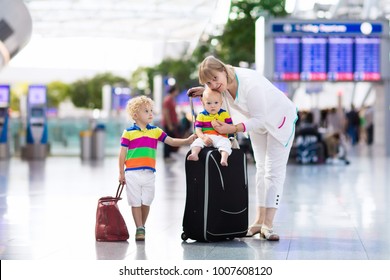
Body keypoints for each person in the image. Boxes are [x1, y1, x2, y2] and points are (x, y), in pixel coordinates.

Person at [187, 56, 298, 241]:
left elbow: (260, 118)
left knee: (273, 172)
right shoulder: (221, 84)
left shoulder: (249, 83)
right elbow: (220, 92)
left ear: (223, 69)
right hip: (256, 124)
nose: (213, 84)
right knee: (261, 169)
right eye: (208, 82)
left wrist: (233, 129)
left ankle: (268, 225)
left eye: (215, 78)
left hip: (279, 121)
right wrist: (205, 91)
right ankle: (258, 222)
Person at [118, 96, 196, 241]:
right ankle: (139, 228)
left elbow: (171, 141)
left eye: (151, 110)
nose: (150, 114)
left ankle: (142, 225)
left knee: (147, 201)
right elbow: (122, 154)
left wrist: (186, 140)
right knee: (135, 202)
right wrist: (121, 173)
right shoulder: (128, 132)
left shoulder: (155, 131)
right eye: (146, 111)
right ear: (135, 115)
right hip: (132, 173)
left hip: (149, 173)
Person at [187, 87, 233, 166]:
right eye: (209, 103)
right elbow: (198, 130)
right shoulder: (201, 115)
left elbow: (230, 127)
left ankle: (224, 158)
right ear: (203, 104)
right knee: (196, 142)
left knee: (226, 144)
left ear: (221, 103)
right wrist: (203, 137)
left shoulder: (224, 114)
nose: (212, 106)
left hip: (221, 137)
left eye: (216, 103)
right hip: (206, 137)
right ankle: (194, 154)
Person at [161, 85, 180, 161]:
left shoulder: (171, 99)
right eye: (177, 91)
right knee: (167, 140)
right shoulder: (168, 100)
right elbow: (166, 112)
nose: (177, 92)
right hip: (168, 124)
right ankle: (166, 156)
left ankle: (168, 155)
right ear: (174, 91)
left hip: (172, 123)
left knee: (170, 139)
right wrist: (169, 125)